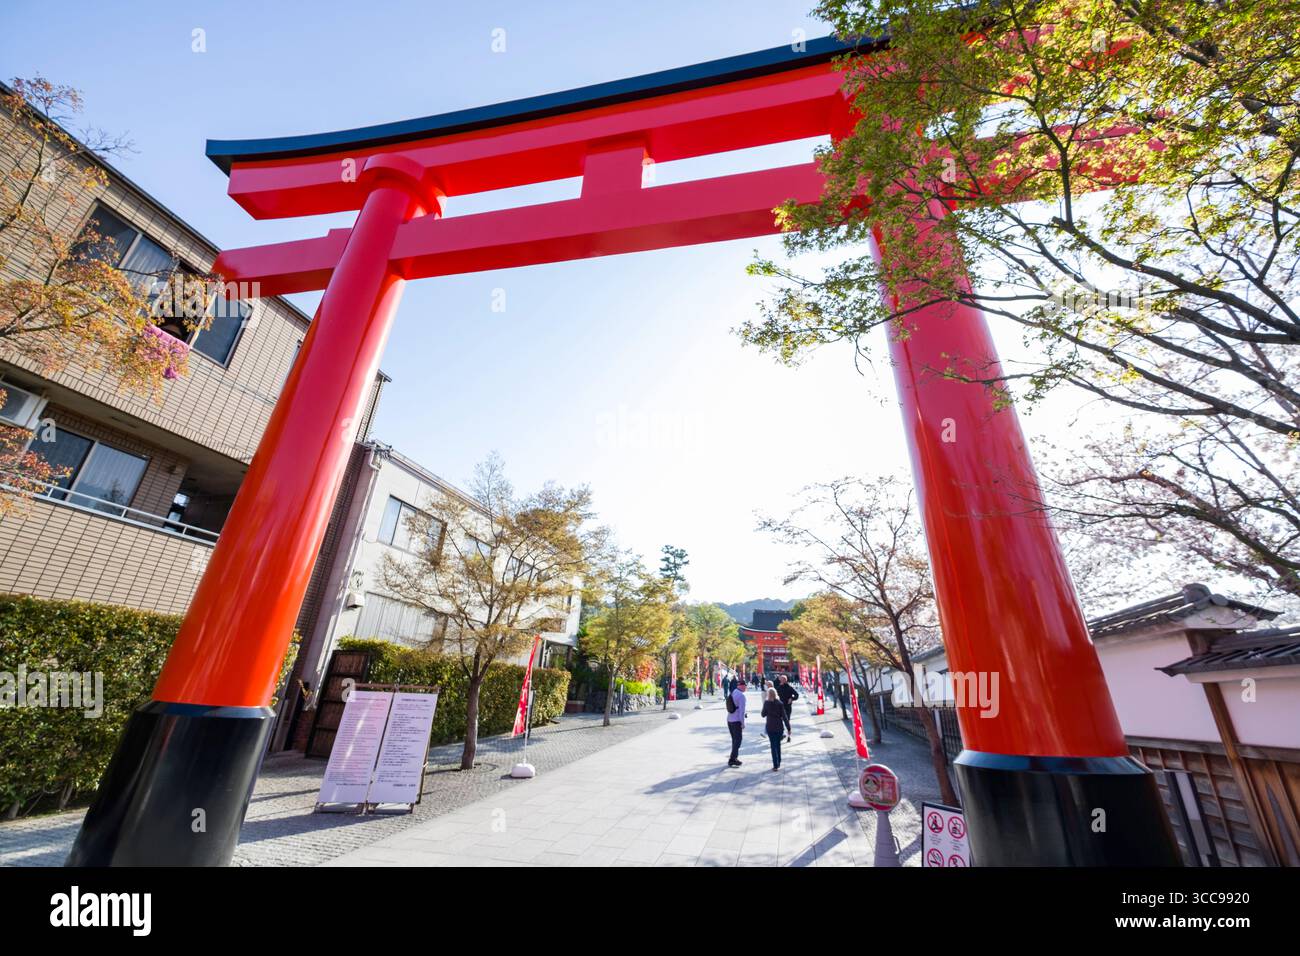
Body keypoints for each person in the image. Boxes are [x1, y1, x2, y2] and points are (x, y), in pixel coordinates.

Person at [761, 687, 785, 771]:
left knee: (773, 745)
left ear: (768, 694)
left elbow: (763, 714)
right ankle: (779, 761)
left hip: (770, 726)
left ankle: (775, 765)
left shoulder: (766, 703)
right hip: (779, 726)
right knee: (778, 744)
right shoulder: (780, 703)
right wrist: (788, 728)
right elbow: (784, 716)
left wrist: (767, 711)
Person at [726, 679, 747, 767]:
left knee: (734, 740)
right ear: (741, 686)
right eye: (745, 686)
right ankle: (732, 759)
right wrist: (742, 723)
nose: (746, 688)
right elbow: (741, 711)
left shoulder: (733, 691)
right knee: (738, 740)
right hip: (736, 721)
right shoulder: (742, 696)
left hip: (729, 719)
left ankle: (734, 758)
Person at [776, 674, 799, 742]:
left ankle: (789, 736)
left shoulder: (790, 687)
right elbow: (775, 696)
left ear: (786, 680)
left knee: (787, 722)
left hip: (787, 707)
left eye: (783, 680)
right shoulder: (778, 688)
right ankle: (781, 734)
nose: (782, 681)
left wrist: (792, 698)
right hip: (780, 707)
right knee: (780, 721)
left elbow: (797, 695)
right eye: (781, 679)